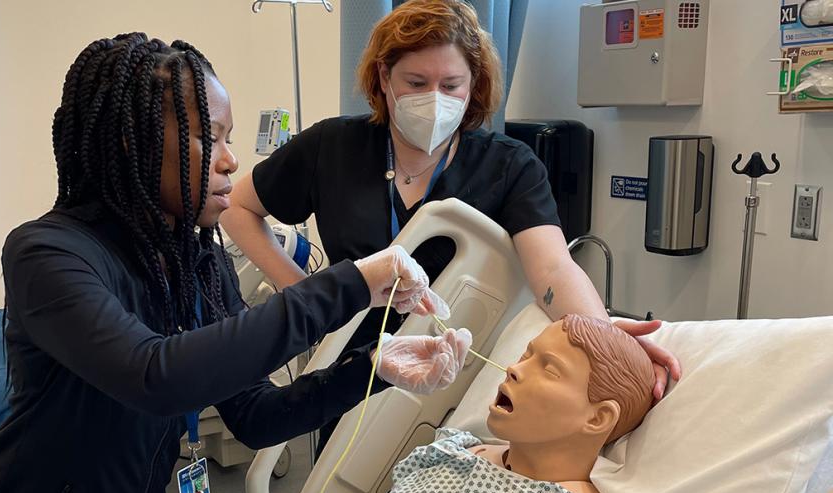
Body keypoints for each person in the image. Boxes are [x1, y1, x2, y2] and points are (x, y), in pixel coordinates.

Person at [0, 34, 472, 493]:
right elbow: (156, 376)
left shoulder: (198, 265)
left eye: (230, 139)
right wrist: (351, 283)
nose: (230, 161)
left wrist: (372, 368)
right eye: (212, 137)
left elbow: (257, 417)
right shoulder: (46, 253)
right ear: (137, 143)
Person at [221, 0, 680, 454]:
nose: (434, 99)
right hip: (353, 373)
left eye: (451, 84)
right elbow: (236, 209)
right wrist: (307, 298)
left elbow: (555, 271)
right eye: (416, 82)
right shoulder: (332, 146)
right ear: (384, 78)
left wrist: (603, 338)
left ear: (474, 84)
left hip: (461, 373)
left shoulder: (509, 166)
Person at [361, 315, 655, 493]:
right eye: (526, 355)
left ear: (597, 418)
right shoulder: (456, 447)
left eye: (549, 369)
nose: (514, 369)